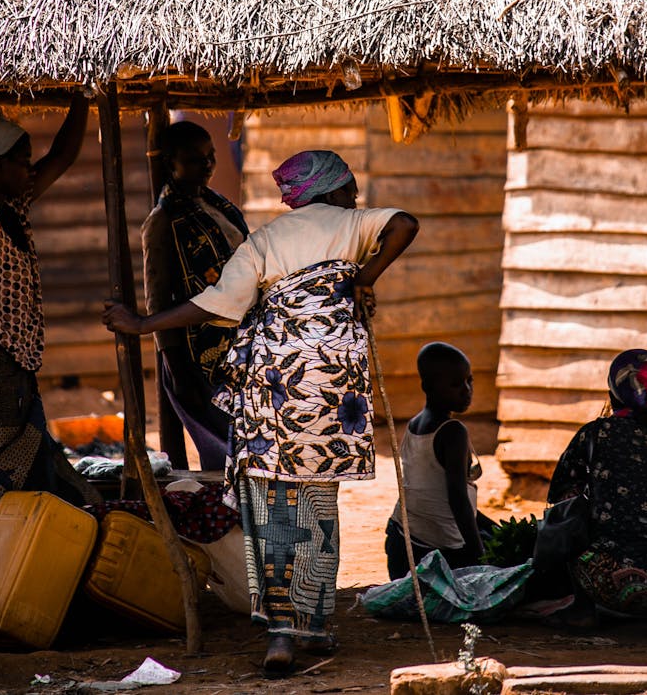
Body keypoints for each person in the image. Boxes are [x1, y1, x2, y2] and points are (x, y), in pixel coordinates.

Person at [105, 148, 418, 676]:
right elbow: (405, 224)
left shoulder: (266, 240)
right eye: (351, 187)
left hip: (273, 391)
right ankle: (314, 625)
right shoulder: (354, 223)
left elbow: (212, 303)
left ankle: (281, 635)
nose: (356, 196)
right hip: (330, 398)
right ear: (335, 189)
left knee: (274, 506)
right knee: (319, 504)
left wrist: (142, 324)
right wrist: (365, 276)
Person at [0, 96, 97, 570]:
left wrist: (84, 98)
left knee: (31, 457)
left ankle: (29, 563)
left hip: (16, 361)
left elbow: (62, 156)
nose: (29, 168)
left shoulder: (13, 206)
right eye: (21, 161)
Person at [548, 348, 647, 633]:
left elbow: (561, 496)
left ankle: (582, 609)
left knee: (568, 513)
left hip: (609, 581)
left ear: (615, 392)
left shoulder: (596, 434)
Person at [142, 120, 248, 469]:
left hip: (239, 348)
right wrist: (177, 366)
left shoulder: (218, 205)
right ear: (170, 162)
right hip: (198, 356)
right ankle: (229, 517)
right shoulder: (165, 220)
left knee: (247, 442)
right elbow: (158, 298)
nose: (206, 165)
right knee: (224, 449)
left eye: (210, 157)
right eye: (193, 159)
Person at [385, 342, 489, 580]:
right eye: (455, 384)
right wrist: (480, 558)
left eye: (469, 381)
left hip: (402, 548)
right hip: (435, 556)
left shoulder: (414, 424)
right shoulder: (453, 431)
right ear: (427, 387)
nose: (466, 390)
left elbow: (442, 495)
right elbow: (457, 499)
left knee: (492, 533)